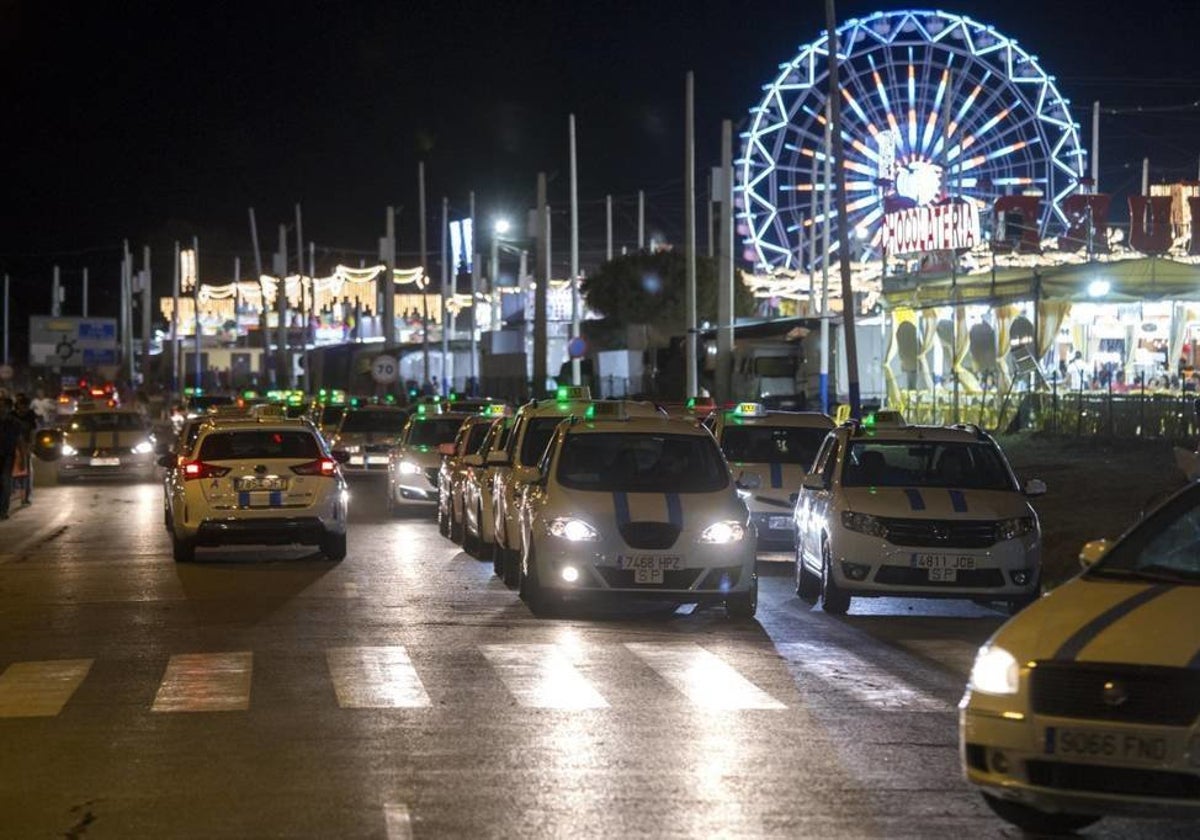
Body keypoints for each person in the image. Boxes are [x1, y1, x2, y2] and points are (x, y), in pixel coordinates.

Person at [0, 397, 26, 520]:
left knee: (5, 483)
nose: (1, 409)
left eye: (3, 406)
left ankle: (3, 510)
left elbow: (20, 441)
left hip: (7, 456)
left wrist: (23, 459)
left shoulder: (15, 423)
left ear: (9, 408)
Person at [12, 394, 37, 505]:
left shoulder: (30, 415)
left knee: (27, 472)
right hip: (12, 446)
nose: (24, 408)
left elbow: (32, 430)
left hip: (25, 446)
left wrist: (31, 444)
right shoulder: (11, 415)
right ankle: (12, 492)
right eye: (21, 406)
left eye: (25, 406)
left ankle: (25, 497)